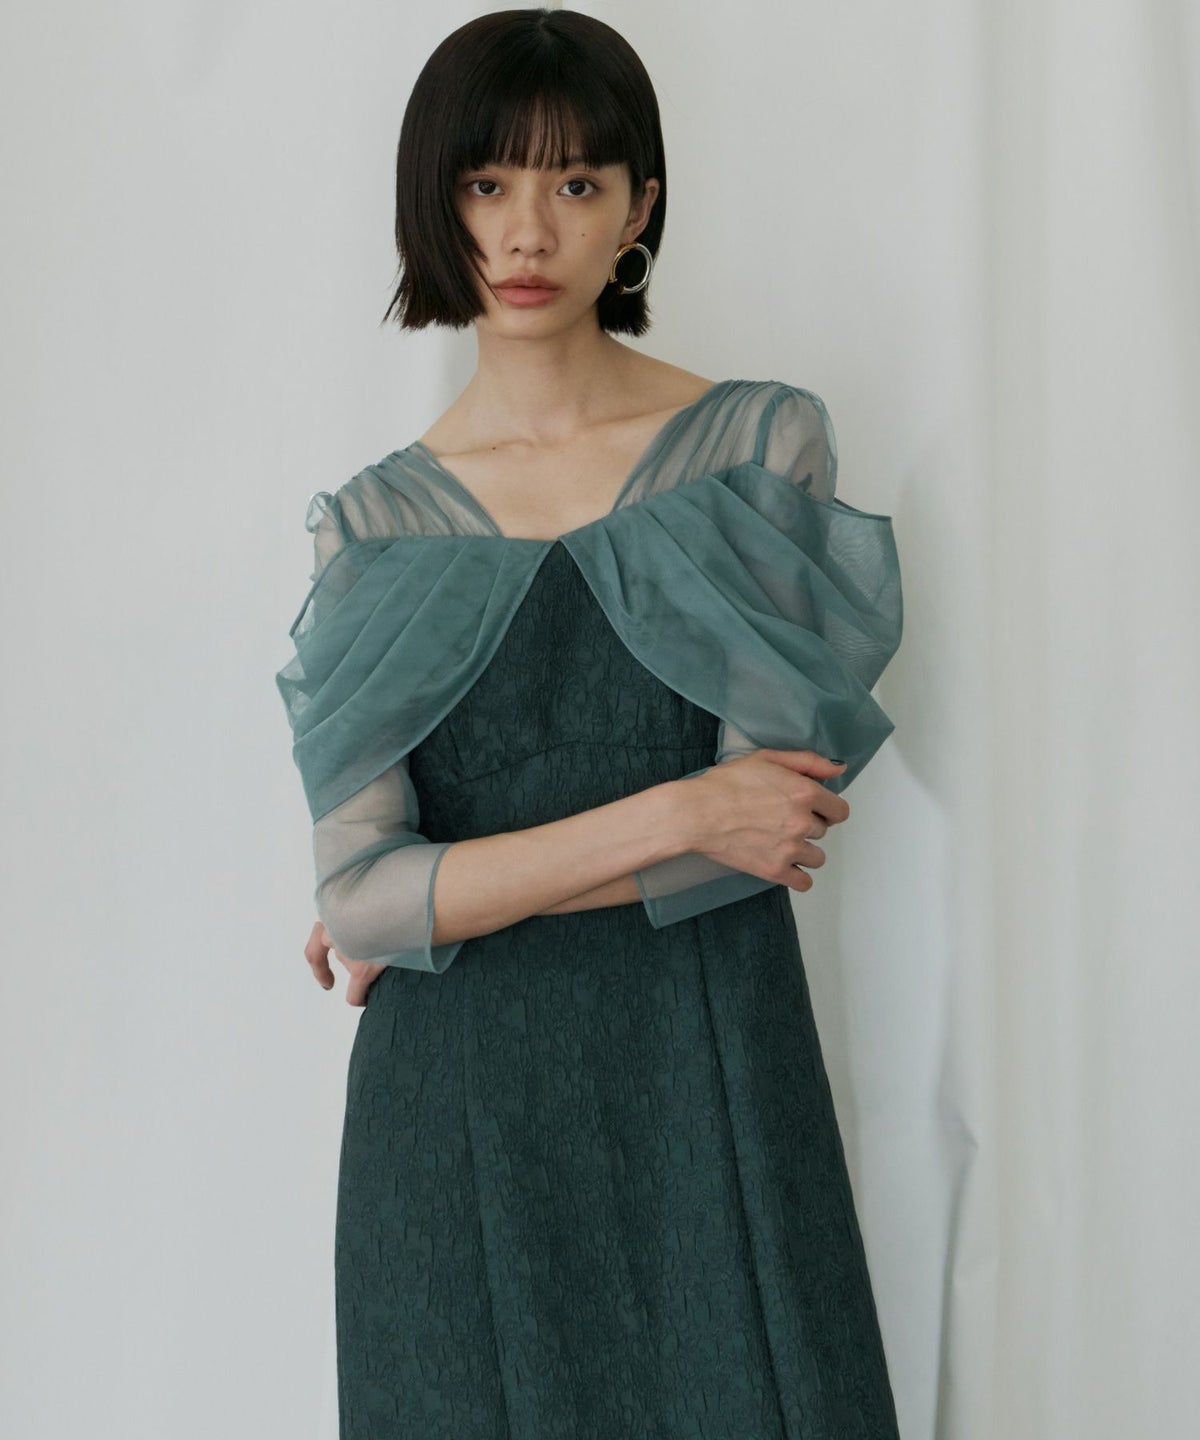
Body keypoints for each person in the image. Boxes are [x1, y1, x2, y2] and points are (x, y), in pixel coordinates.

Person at [274, 8, 905, 1436]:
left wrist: (446, 897)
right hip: (454, 1114)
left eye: (575, 181)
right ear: (433, 206)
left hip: (706, 1066)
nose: (527, 231)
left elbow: (770, 827)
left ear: (639, 208)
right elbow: (361, 898)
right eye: (485, 182)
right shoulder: (370, 527)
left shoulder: (757, 451)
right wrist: (680, 810)